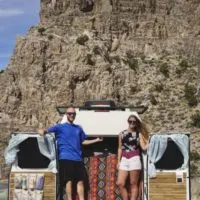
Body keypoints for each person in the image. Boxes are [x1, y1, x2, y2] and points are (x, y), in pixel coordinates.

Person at [38, 106, 103, 200]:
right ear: (66, 115)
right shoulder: (60, 127)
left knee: (80, 181)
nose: (71, 115)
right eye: (69, 113)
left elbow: (83, 142)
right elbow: (46, 131)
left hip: (78, 158)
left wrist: (96, 140)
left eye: (73, 114)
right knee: (69, 181)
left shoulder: (78, 128)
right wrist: (41, 131)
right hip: (65, 157)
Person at [116, 112, 149, 200]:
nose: (132, 123)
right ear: (128, 121)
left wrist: (150, 142)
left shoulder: (139, 134)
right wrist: (118, 161)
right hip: (124, 158)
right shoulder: (121, 134)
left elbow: (143, 147)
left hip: (135, 158)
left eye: (134, 122)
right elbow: (120, 148)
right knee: (120, 183)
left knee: (133, 183)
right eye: (130, 121)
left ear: (137, 123)